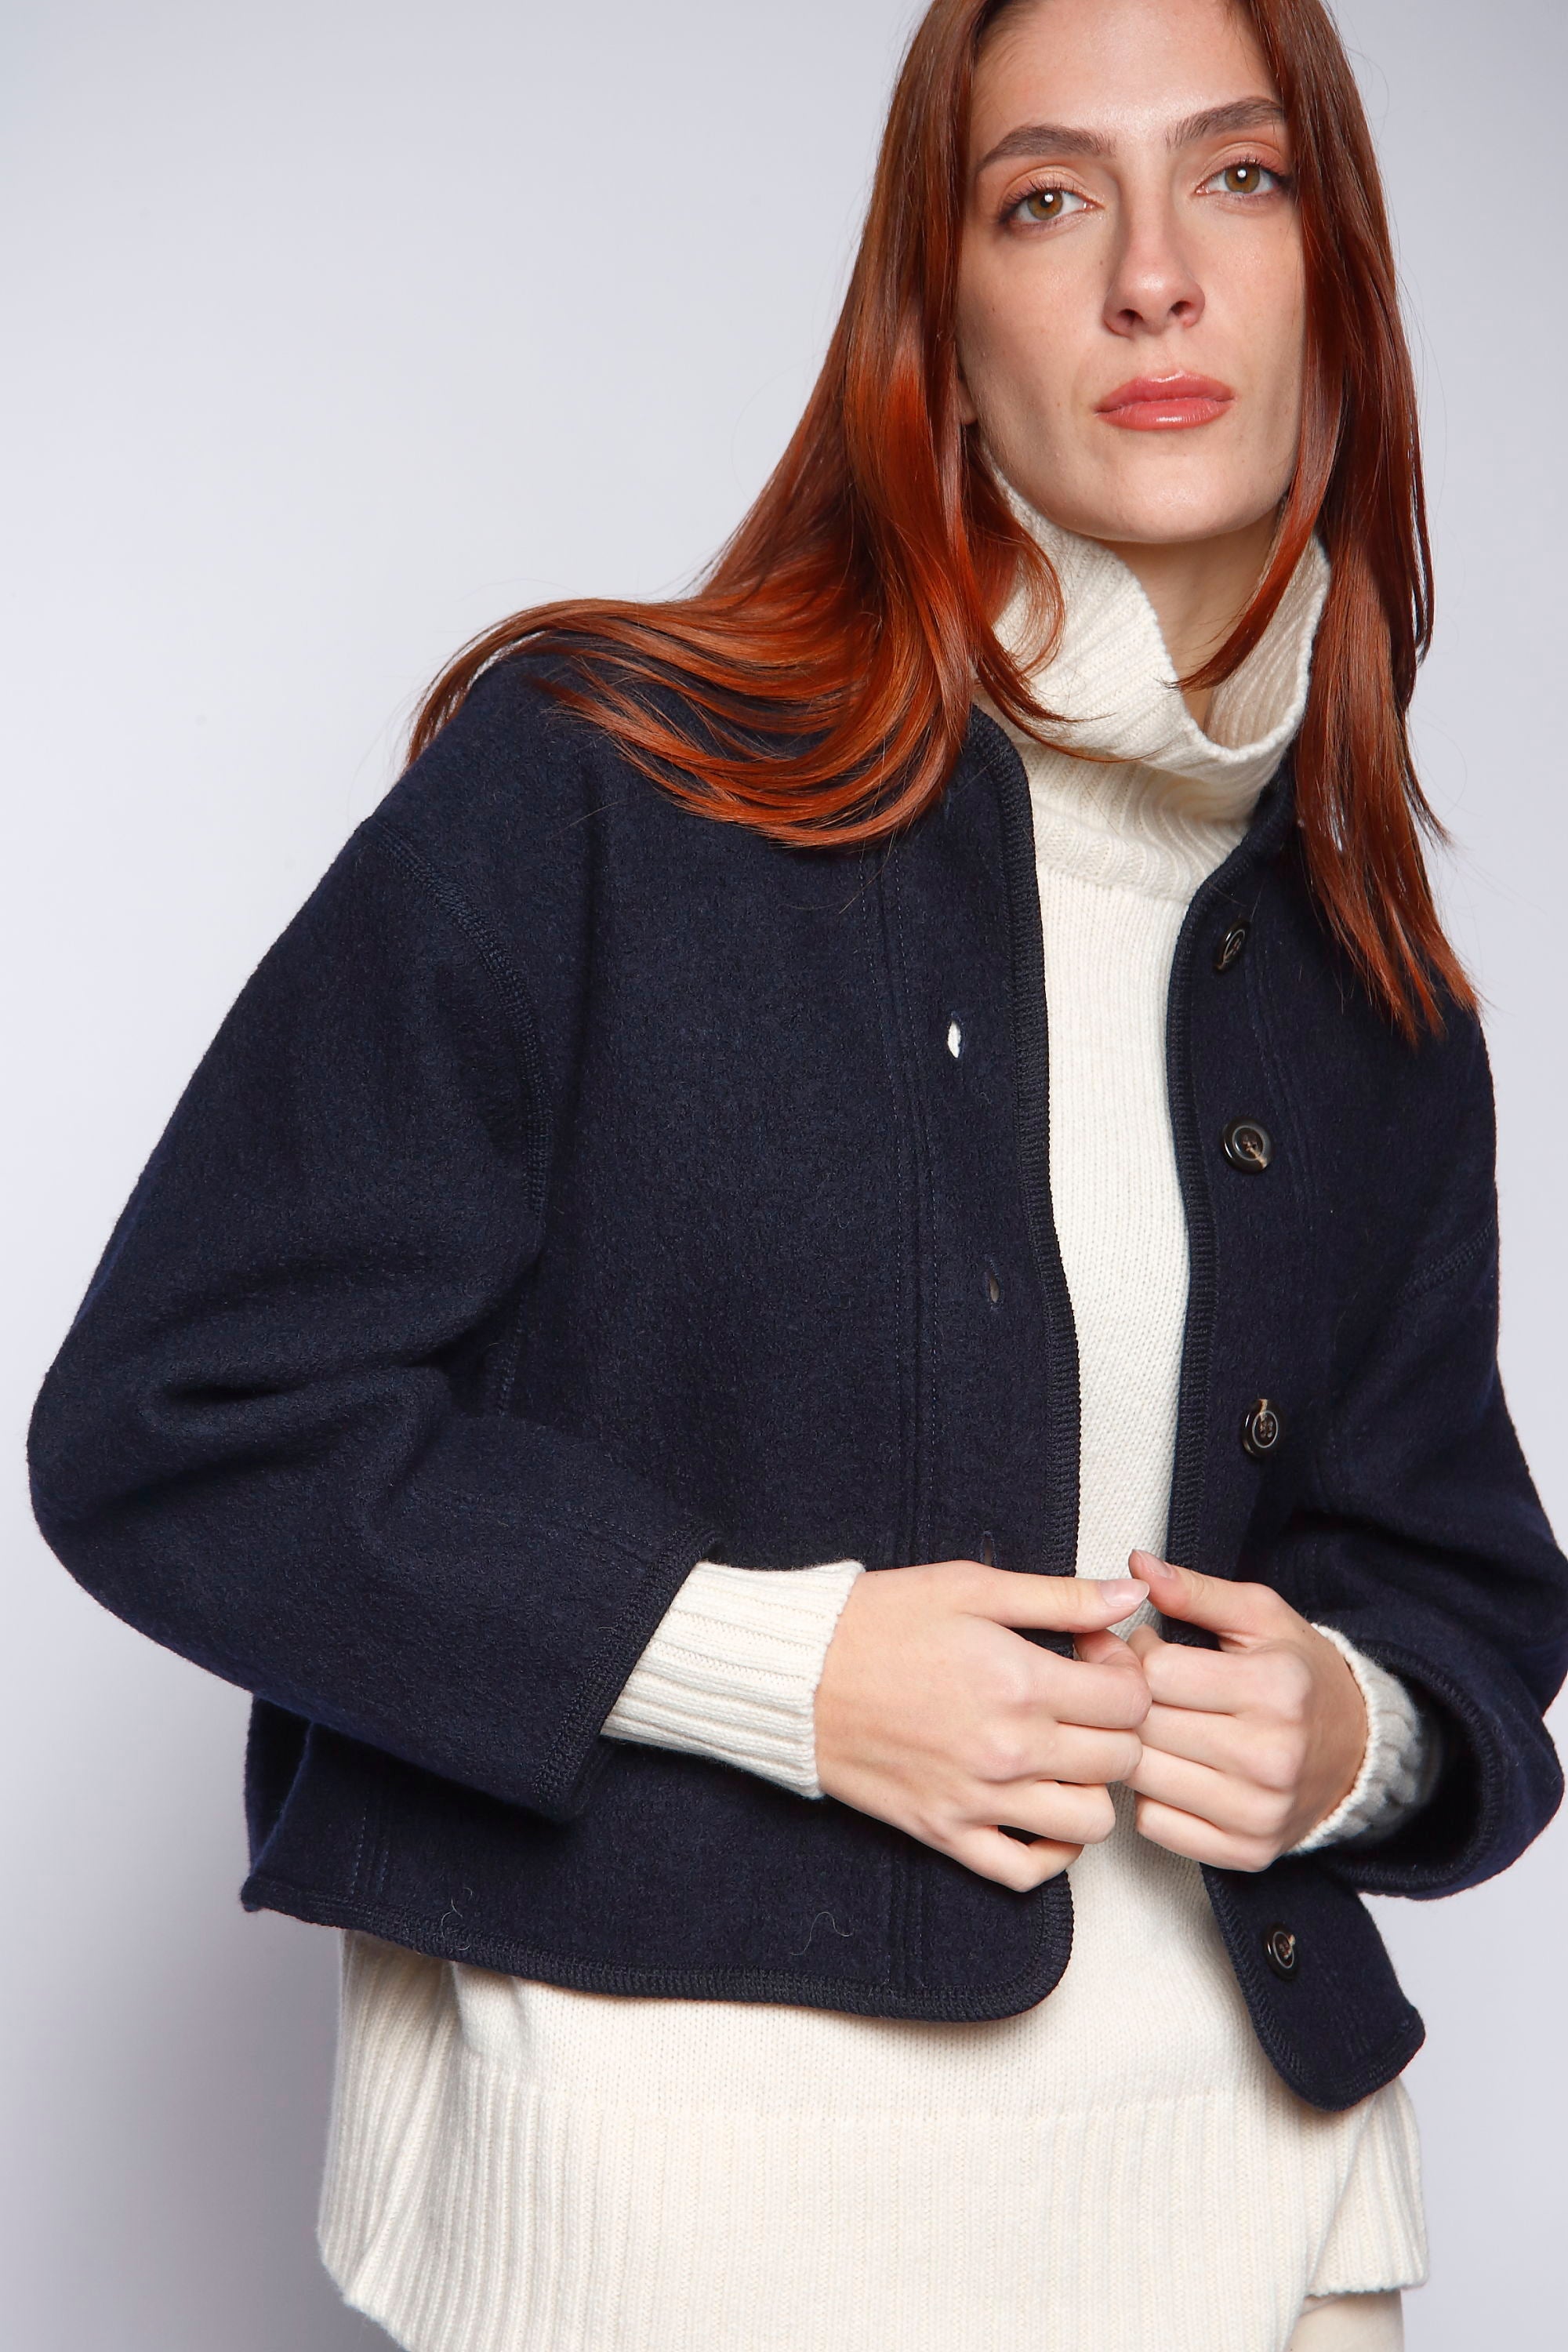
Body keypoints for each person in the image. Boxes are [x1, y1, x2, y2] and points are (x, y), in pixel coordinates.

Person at [27, 0, 1567, 2347]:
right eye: (1047, 199)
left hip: (1269, 2234)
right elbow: (181, 1428)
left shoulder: (1382, 1002)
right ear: (937, 336)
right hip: (680, 2225)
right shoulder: (606, 787)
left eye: (1241, 179)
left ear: (1338, 287)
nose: (1155, 272)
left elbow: (1461, 1595)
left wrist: (1358, 1732)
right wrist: (783, 1668)